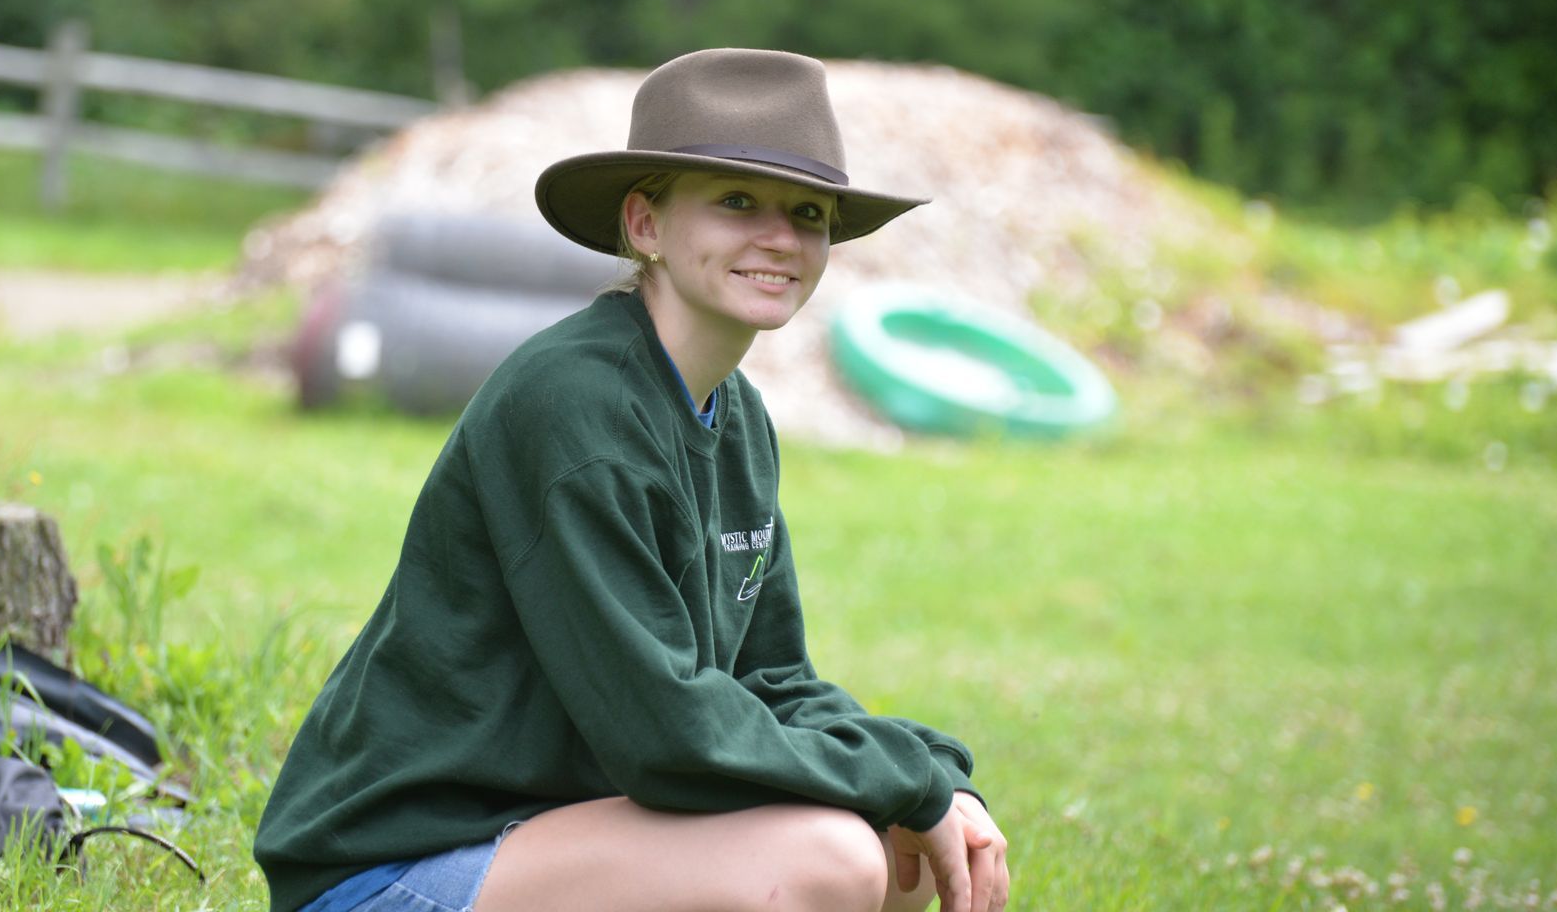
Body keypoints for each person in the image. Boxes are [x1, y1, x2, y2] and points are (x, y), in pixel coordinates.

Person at [255, 48, 1011, 912]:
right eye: (736, 202)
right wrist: (905, 773)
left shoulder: (736, 418)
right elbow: (668, 737)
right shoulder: (576, 406)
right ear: (645, 225)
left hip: (546, 836)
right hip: (394, 867)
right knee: (832, 857)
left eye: (807, 211)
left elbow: (772, 681)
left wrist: (931, 777)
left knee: (898, 849)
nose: (779, 236)